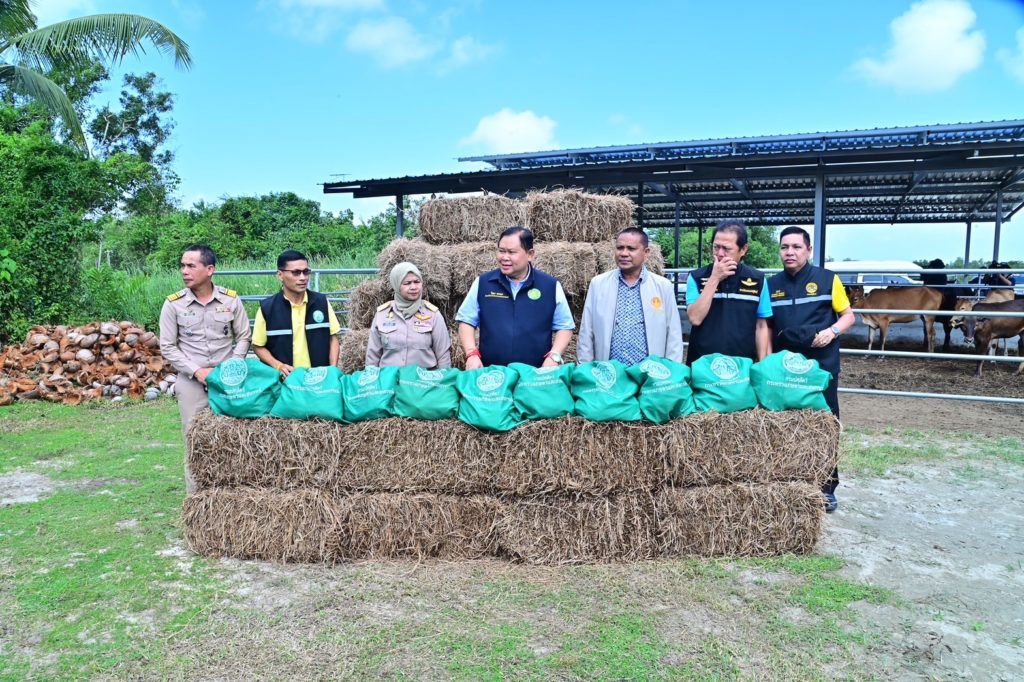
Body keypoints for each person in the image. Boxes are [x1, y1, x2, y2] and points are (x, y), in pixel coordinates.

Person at [767, 226, 855, 513]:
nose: (789, 252)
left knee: (825, 423)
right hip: (786, 367)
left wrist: (831, 331)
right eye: (784, 247)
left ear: (808, 250)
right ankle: (789, 481)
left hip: (821, 364)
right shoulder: (771, 285)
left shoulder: (828, 280)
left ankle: (827, 487)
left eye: (796, 247)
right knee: (787, 424)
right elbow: (766, 326)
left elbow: (848, 316)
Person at [159, 244, 251, 494]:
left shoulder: (230, 299)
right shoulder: (173, 304)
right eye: (182, 265)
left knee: (233, 438)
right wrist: (198, 372)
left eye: (191, 266)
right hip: (192, 383)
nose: (184, 271)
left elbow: (243, 336)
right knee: (195, 442)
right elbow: (167, 346)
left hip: (227, 382)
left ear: (210, 269)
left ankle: (231, 496)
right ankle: (198, 502)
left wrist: (231, 368)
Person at [455, 226, 574, 368]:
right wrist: (471, 354)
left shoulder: (550, 286)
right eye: (501, 251)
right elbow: (466, 321)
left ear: (530, 254)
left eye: (512, 252)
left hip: (536, 375)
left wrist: (554, 356)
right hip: (492, 375)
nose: (504, 257)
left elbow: (565, 327)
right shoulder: (483, 283)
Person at [577, 227, 683, 364]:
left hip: (649, 377)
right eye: (620, 248)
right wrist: (586, 371)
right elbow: (586, 332)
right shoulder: (598, 284)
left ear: (646, 253)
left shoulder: (662, 286)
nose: (624, 253)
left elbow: (673, 334)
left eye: (631, 249)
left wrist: (670, 373)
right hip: (608, 375)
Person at [685, 219, 772, 365]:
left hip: (742, 365)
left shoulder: (758, 280)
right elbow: (695, 318)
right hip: (702, 364)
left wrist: (763, 365)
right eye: (716, 247)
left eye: (726, 249)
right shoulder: (696, 277)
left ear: (743, 250)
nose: (720, 253)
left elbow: (761, 326)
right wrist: (715, 278)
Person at [253, 250, 340, 376]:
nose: (303, 278)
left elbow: (333, 339)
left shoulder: (321, 302)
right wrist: (278, 365)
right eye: (296, 273)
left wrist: (332, 371)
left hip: (320, 380)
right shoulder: (267, 308)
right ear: (280, 275)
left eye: (306, 272)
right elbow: (258, 346)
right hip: (286, 382)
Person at [365, 262, 452, 369]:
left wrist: (443, 381)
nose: (413, 287)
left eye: (417, 282)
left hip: (424, 382)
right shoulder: (382, 314)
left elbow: (443, 355)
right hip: (390, 381)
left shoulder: (433, 314)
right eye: (407, 283)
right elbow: (372, 356)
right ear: (396, 285)